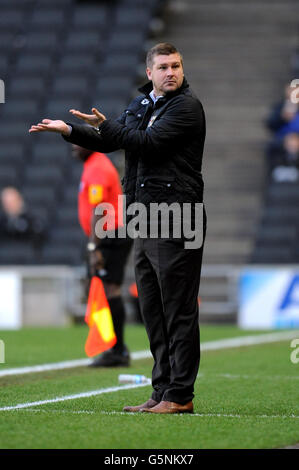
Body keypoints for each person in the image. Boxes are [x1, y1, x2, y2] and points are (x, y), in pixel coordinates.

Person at [29, 42, 207, 414]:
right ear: (149, 73)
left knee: (177, 309)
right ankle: (161, 391)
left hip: (177, 216)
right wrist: (71, 130)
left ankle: (180, 395)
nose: (171, 72)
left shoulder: (187, 108)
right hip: (144, 217)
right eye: (163, 67)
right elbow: (111, 139)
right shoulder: (142, 104)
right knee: (152, 309)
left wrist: (109, 127)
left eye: (176, 65)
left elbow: (146, 142)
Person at [72, 144, 133, 367]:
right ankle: (114, 348)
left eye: (78, 143)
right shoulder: (93, 165)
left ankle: (117, 350)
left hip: (110, 234)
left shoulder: (97, 166)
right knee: (102, 288)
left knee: (109, 289)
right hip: (106, 236)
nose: (73, 148)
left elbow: (99, 210)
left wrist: (93, 248)